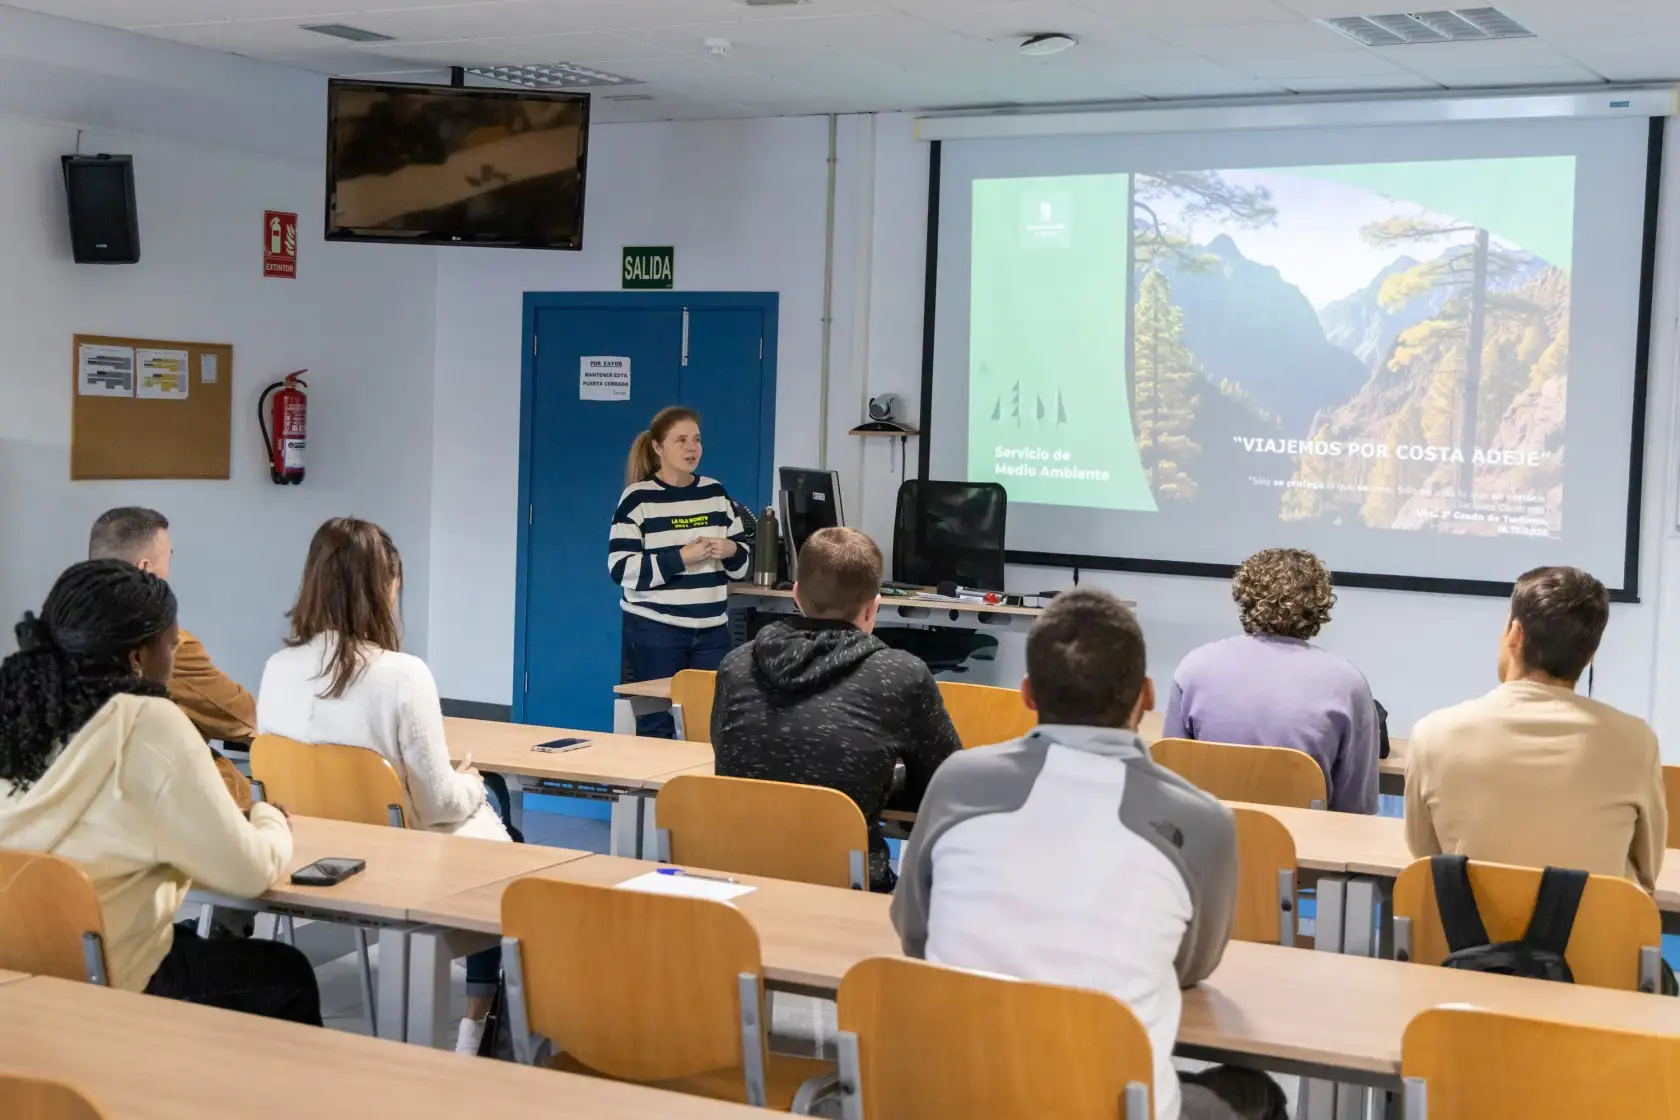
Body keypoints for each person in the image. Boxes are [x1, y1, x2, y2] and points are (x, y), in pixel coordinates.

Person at [891, 588, 1285, 1120]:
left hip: (952, 1096)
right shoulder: (1201, 819)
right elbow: (1192, 966)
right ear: (1146, 697)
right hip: (1109, 1103)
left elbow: (915, 930)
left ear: (1027, 693)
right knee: (1256, 1093)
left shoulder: (959, 780)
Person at [0, 560, 318, 1023]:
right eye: (170, 646)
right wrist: (268, 817)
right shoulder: (147, 723)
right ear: (137, 658)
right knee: (286, 973)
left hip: (19, 981)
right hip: (117, 985)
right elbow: (249, 873)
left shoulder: (18, 716)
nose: (172, 663)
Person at [257, 517, 509, 1053]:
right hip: (395, 859)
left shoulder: (276, 667)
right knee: (502, 829)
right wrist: (472, 784)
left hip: (308, 847)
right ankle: (476, 1025)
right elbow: (439, 803)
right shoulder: (403, 673)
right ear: (381, 589)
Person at [711, 527, 962, 892]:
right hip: (846, 891)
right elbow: (944, 783)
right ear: (873, 607)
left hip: (735, 886)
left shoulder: (736, 665)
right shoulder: (900, 674)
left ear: (796, 595)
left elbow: (727, 753)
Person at [1406, 566, 1665, 890]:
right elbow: (1648, 872)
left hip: (1464, 938)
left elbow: (1426, 862)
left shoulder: (1432, 735)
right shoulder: (1636, 742)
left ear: (1515, 633)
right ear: (1591, 654)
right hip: (1592, 939)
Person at [1163, 548, 1379, 814]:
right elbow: (1356, 809)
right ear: (1319, 605)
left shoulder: (1193, 668)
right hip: (1304, 849)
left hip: (1206, 845)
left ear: (1244, 597)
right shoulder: (1348, 685)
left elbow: (1170, 781)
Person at [89, 507, 256, 810]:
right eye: (169, 558)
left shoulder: (62, 637)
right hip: (176, 816)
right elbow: (241, 719)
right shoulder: (165, 647)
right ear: (146, 569)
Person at [610, 406, 750, 737]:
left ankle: (699, 790)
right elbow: (621, 568)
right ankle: (658, 791)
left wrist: (730, 550)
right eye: (681, 440)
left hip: (711, 632)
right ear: (658, 447)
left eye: (697, 440)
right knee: (656, 725)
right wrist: (680, 558)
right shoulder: (638, 499)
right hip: (655, 631)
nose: (692, 448)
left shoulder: (715, 493)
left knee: (710, 726)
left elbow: (742, 565)